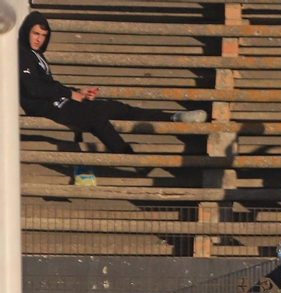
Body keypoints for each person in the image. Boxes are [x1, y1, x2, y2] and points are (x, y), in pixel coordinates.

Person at [18, 12, 206, 187]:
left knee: (116, 108)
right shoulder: (22, 53)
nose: (39, 39)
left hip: (58, 100)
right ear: (27, 31)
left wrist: (78, 92)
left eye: (43, 35)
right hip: (43, 106)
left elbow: (49, 85)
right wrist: (70, 94)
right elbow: (33, 88)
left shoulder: (37, 54)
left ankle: (172, 117)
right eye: (35, 34)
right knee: (95, 117)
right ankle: (131, 158)